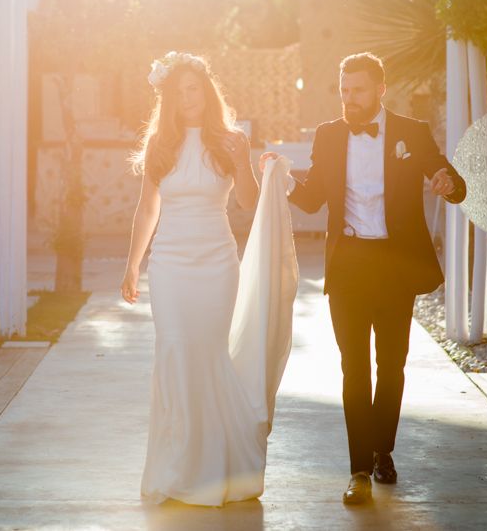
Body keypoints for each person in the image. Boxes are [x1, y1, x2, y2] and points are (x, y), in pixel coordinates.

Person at [264, 52, 465, 505]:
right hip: (349, 264)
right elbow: (315, 198)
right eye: (343, 90)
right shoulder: (329, 135)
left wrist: (447, 182)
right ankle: (358, 470)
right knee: (354, 369)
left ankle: (382, 450)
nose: (348, 99)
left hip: (395, 264)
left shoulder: (411, 133)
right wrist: (283, 177)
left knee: (391, 366)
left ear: (379, 90)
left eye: (356, 90)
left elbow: (446, 174)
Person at [121, 51, 296, 506]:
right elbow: (147, 209)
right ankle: (177, 467)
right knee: (176, 349)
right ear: (170, 99)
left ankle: (219, 466)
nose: (187, 98)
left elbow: (247, 204)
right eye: (178, 92)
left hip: (217, 261)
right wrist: (132, 264)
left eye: (193, 89)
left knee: (208, 353)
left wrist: (245, 164)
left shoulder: (229, 140)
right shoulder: (160, 145)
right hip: (170, 262)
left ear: (206, 91)